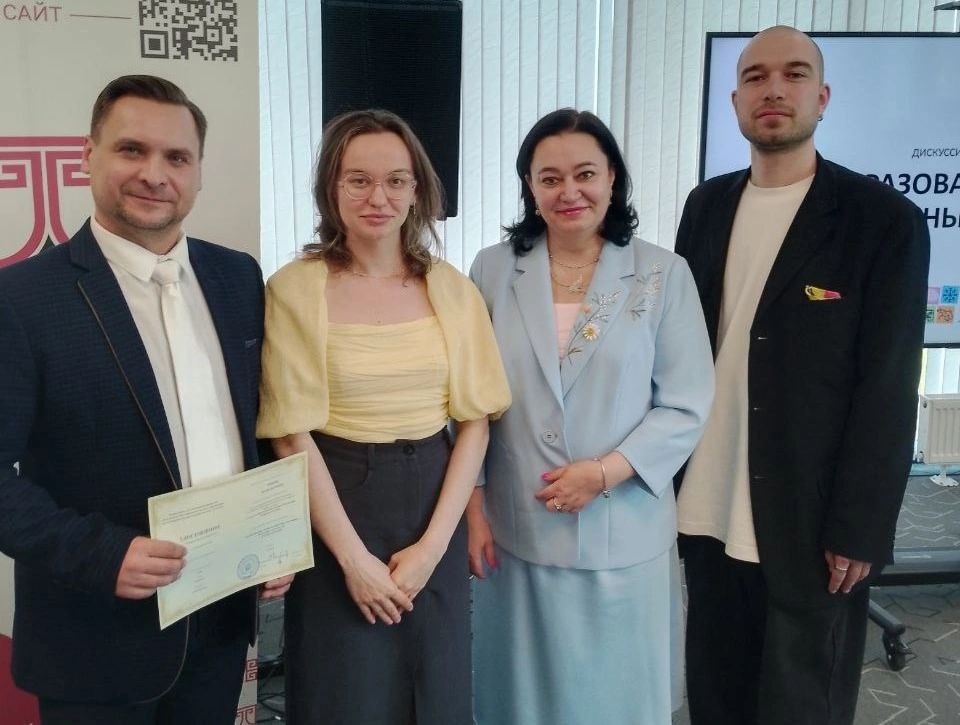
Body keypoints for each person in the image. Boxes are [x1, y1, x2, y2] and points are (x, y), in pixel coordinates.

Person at [0, 75, 291, 725]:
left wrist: (273, 537)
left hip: (221, 625)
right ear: (88, 155)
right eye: (132, 150)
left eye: (176, 157)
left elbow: (257, 424)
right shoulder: (20, 299)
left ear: (199, 172)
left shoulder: (237, 275)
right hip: (94, 641)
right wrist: (101, 554)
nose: (154, 174)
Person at [675, 26, 930, 725]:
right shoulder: (705, 206)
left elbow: (888, 386)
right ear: (735, 100)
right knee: (715, 696)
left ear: (822, 96)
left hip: (812, 522)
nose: (774, 90)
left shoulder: (882, 220)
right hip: (705, 503)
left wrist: (862, 527)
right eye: (755, 77)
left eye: (793, 75)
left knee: (801, 704)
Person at [257, 108, 510, 724]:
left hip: (433, 500)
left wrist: (433, 547)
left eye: (396, 180)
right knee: (346, 693)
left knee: (437, 691)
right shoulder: (295, 288)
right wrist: (353, 560)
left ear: (417, 190)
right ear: (331, 188)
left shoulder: (451, 288)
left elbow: (475, 425)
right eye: (359, 180)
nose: (379, 198)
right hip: (335, 501)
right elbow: (290, 436)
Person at [467, 108, 714, 724]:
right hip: (515, 524)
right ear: (530, 186)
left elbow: (686, 402)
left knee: (614, 699)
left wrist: (604, 472)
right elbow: (468, 399)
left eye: (585, 174)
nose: (568, 191)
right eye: (549, 178)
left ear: (612, 179)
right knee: (520, 696)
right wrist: (473, 508)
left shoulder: (662, 273)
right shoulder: (492, 269)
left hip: (621, 524)